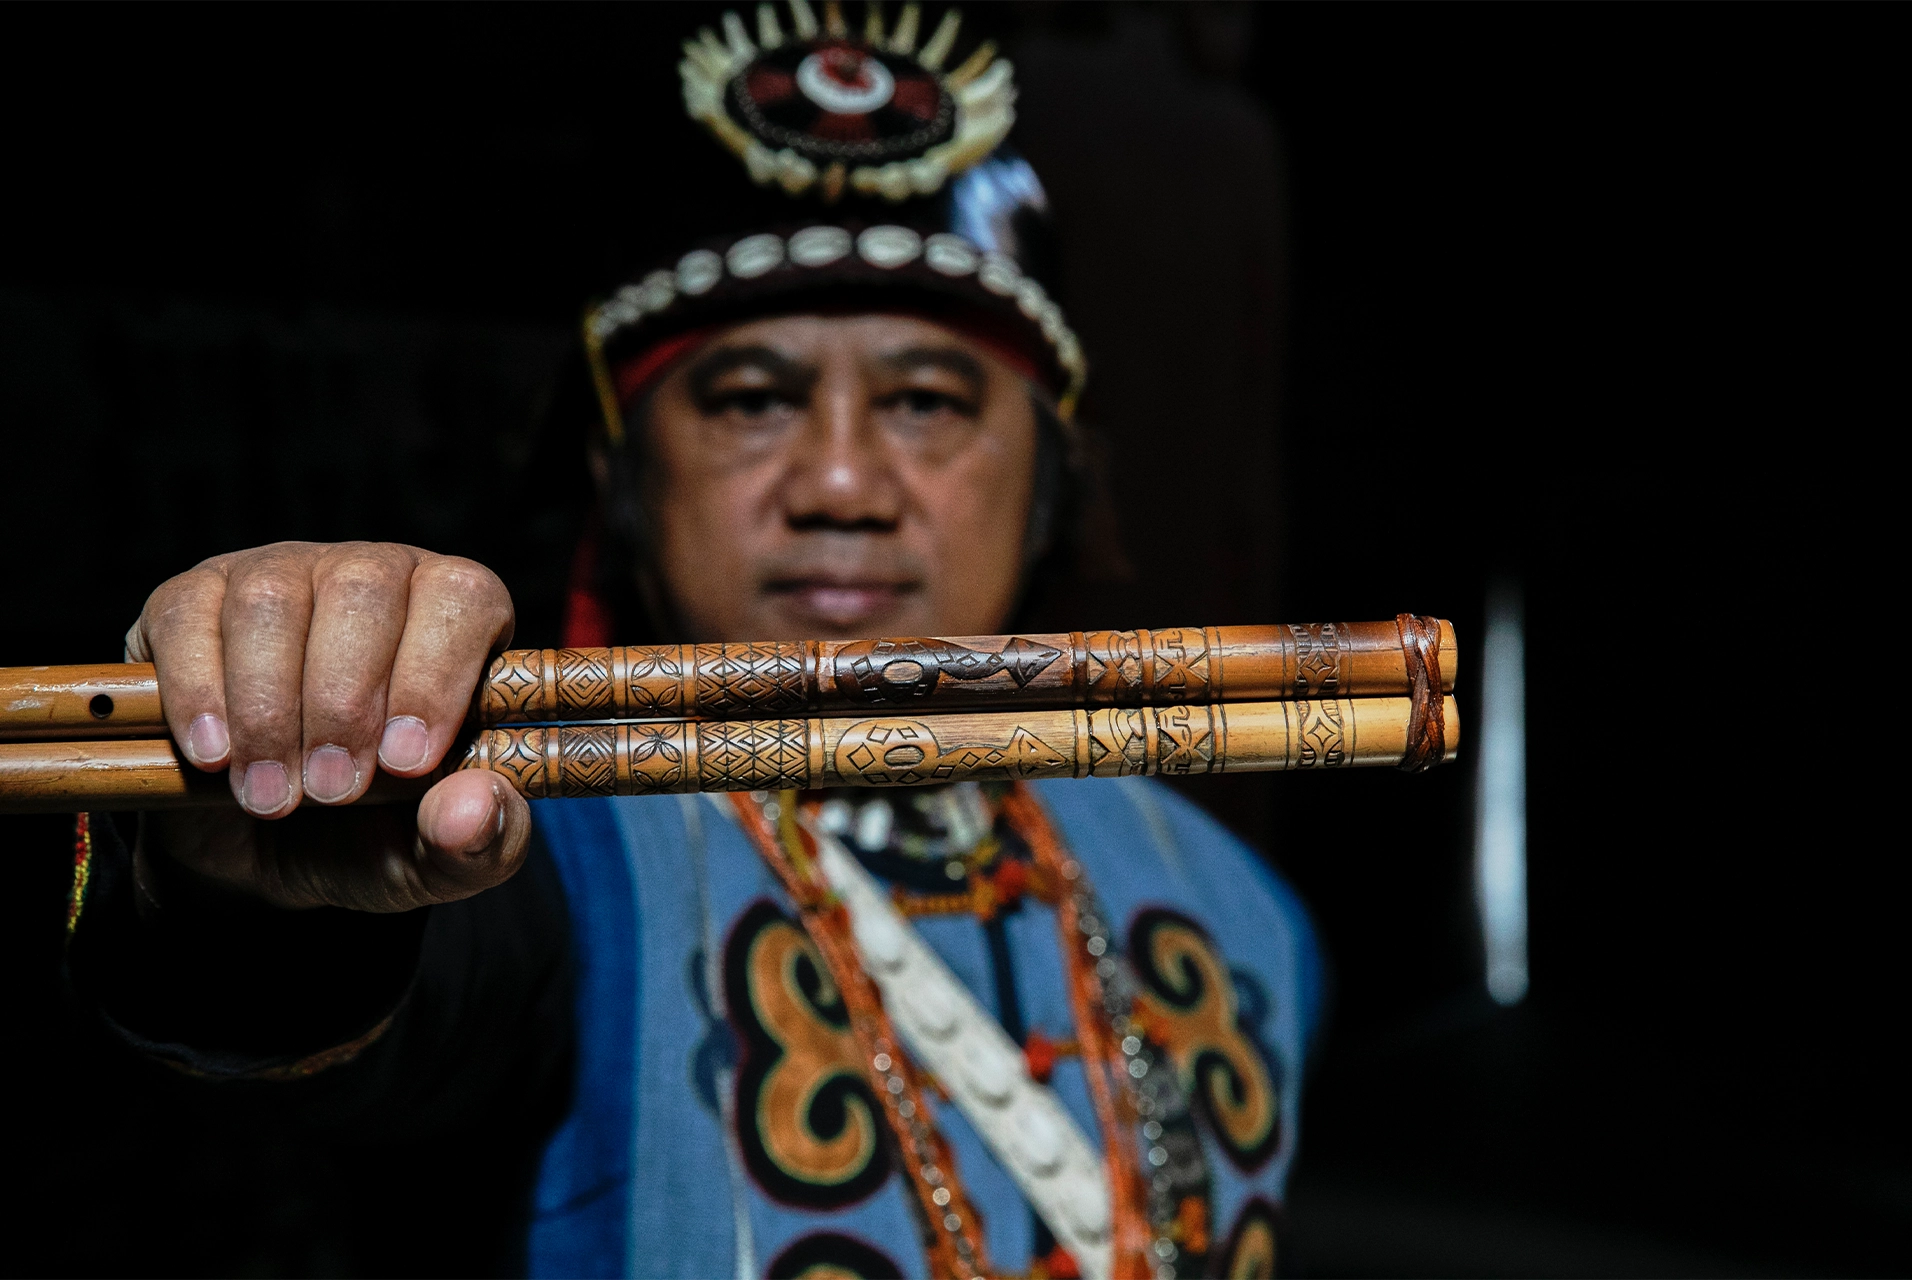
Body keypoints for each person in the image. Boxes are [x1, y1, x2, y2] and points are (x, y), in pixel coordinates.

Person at [67, 7, 1318, 1278]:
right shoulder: (536, 851)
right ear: (624, 471)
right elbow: (363, 992)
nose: (841, 479)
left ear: (1049, 476)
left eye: (928, 402)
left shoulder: (1239, 912)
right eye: (753, 399)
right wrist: (252, 880)